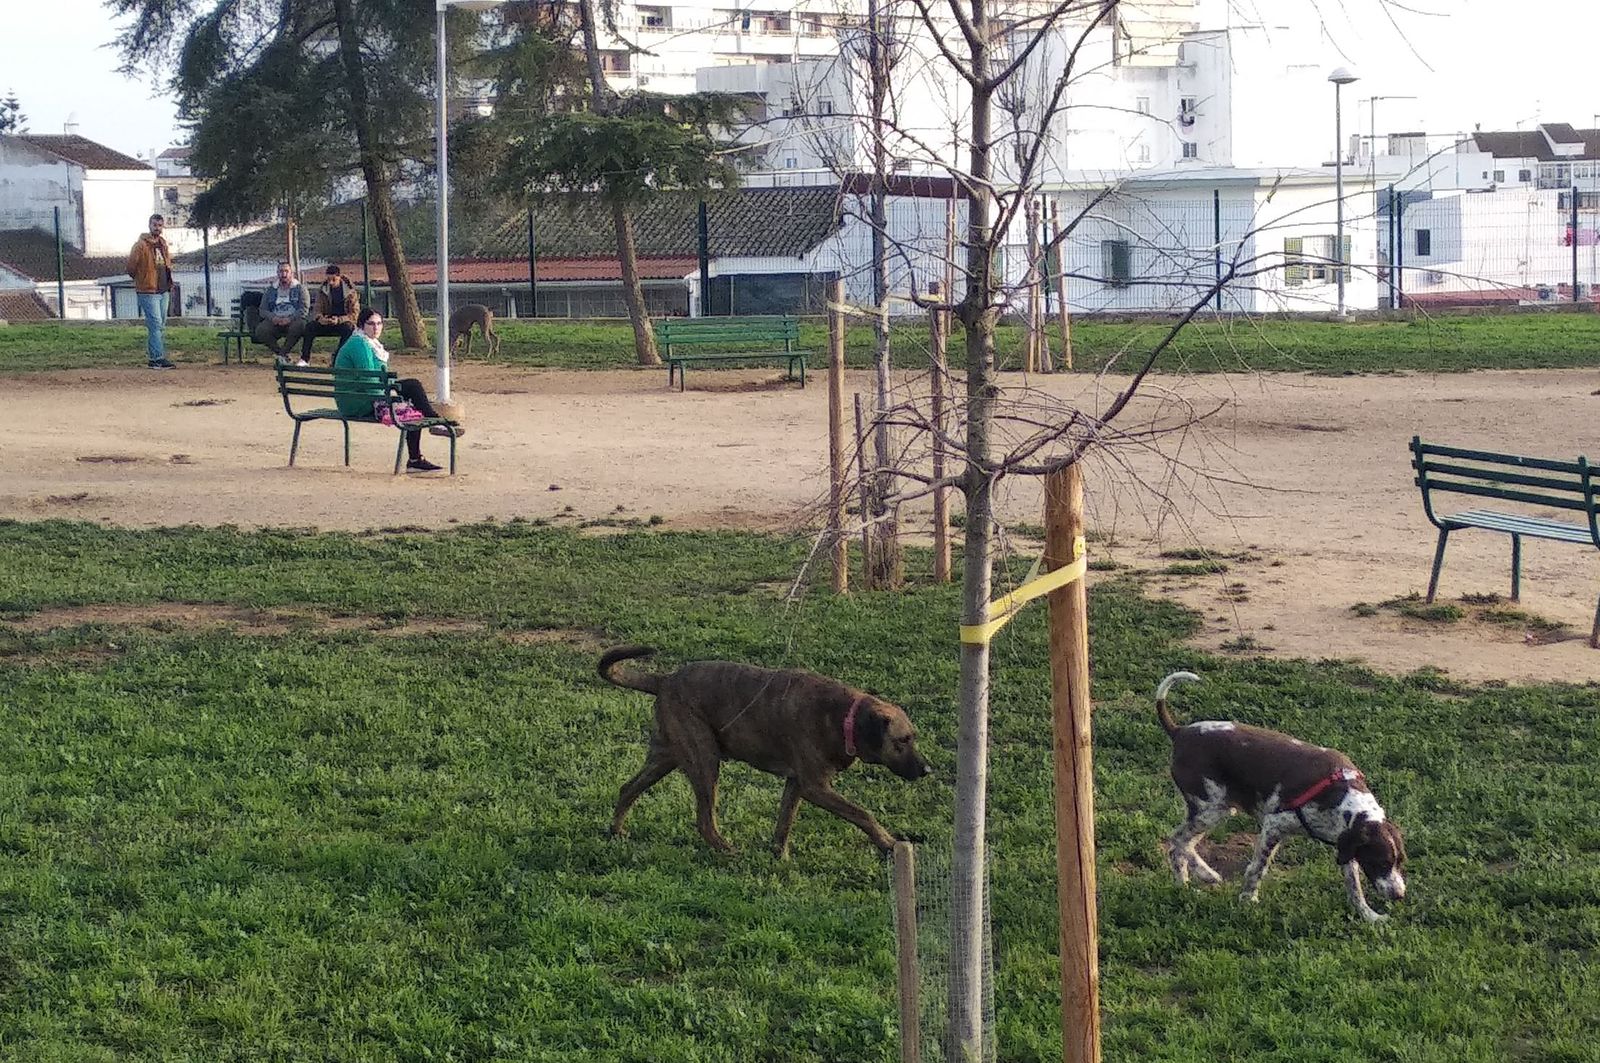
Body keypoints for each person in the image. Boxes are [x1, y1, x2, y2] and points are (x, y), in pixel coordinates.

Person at [334, 307, 461, 473]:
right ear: (361, 325)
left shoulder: (367, 343)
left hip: (361, 396)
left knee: (411, 392)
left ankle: (424, 441)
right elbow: (369, 379)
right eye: (371, 323)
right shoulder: (360, 344)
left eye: (379, 323)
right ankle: (433, 426)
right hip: (358, 402)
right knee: (412, 391)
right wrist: (391, 395)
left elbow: (379, 378)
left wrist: (393, 389)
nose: (376, 327)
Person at [126, 213, 175, 369]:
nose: (157, 228)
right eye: (155, 225)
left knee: (161, 324)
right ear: (149, 225)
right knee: (155, 324)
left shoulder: (163, 244)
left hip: (162, 289)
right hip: (148, 290)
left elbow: (167, 264)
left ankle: (158, 356)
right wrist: (142, 279)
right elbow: (131, 267)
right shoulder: (140, 245)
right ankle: (156, 358)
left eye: (160, 225)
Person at [302, 264, 358, 365]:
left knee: (349, 329)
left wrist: (339, 319)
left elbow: (354, 314)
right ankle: (305, 359)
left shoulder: (351, 292)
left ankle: (337, 358)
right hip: (326, 321)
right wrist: (320, 318)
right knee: (309, 327)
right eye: (328, 280)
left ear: (339, 277)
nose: (331, 283)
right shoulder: (322, 290)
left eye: (333, 280)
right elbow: (317, 309)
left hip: (343, 322)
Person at [255, 262, 307, 360]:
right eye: (281, 271)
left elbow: (303, 309)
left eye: (286, 271)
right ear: (277, 273)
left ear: (291, 273)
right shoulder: (270, 290)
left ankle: (282, 354)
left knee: (300, 325)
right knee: (260, 330)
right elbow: (262, 310)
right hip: (275, 320)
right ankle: (281, 353)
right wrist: (273, 318)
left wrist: (289, 319)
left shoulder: (300, 289)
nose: (284, 274)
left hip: (293, 320)